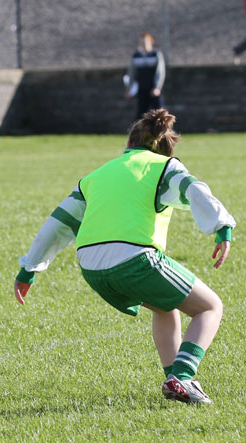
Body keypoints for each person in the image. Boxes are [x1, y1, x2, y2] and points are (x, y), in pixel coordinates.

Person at [14, 109, 235, 405]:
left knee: (165, 307)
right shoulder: (163, 166)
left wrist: (29, 268)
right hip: (134, 257)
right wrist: (221, 227)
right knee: (210, 307)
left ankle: (176, 383)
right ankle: (182, 377)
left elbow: (60, 221)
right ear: (162, 145)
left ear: (129, 145)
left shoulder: (96, 175)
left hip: (91, 267)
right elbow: (192, 188)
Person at [125, 33, 166, 120]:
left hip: (154, 90)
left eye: (145, 42)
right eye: (141, 43)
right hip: (142, 90)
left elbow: (160, 72)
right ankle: (139, 133)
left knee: (160, 115)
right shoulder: (135, 56)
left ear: (151, 43)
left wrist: (157, 88)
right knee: (140, 115)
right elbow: (132, 73)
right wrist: (129, 88)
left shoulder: (156, 54)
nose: (143, 44)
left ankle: (164, 133)